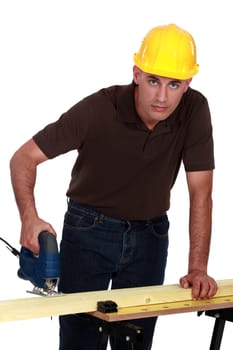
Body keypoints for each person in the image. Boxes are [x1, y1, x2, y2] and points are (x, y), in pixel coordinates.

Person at [10, 23, 218, 350]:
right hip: (88, 231)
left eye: (174, 84)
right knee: (80, 342)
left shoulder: (195, 110)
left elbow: (201, 193)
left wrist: (197, 268)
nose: (162, 96)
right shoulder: (99, 110)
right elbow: (23, 158)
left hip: (151, 237)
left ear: (188, 83)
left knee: (134, 342)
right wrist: (29, 217)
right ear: (136, 73)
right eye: (153, 81)